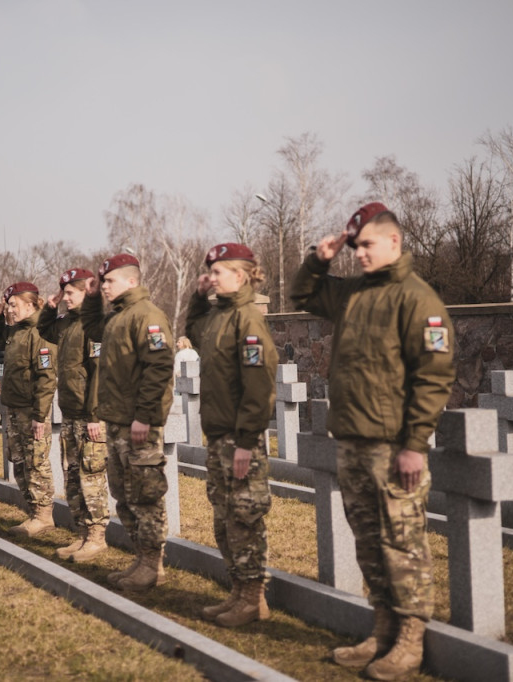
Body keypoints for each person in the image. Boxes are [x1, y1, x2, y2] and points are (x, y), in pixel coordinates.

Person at [291, 202, 455, 680]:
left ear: (394, 243)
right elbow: (303, 294)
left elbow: (434, 378)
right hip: (354, 440)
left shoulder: (418, 300)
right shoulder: (353, 294)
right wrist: (320, 259)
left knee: (402, 542)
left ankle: (410, 638)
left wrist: (414, 445)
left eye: (366, 246)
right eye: (355, 246)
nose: (359, 254)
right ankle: (382, 628)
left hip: (393, 446)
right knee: (368, 541)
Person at [185, 243, 278, 627]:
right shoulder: (219, 315)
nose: (212, 276)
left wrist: (245, 442)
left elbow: (258, 387)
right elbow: (194, 330)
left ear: (239, 276)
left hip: (241, 440)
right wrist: (198, 295)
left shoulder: (247, 320)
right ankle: (239, 593)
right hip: (220, 437)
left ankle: (254, 598)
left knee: (244, 518)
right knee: (225, 520)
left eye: (218, 272)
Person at [81, 253, 174, 592]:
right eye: (101, 282)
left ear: (131, 281)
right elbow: (92, 329)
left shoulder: (147, 316)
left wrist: (144, 418)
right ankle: (141, 559)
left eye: (108, 281)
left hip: (138, 425)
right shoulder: (118, 317)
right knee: (124, 495)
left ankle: (153, 564)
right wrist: (91, 298)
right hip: (118, 423)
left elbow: (159, 368)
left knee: (146, 496)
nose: (103, 286)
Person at [38, 268, 109, 562]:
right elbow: (44, 330)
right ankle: (82, 535)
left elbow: (98, 373)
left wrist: (94, 415)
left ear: (85, 293)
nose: (66, 297)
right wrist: (50, 306)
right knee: (74, 478)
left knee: (91, 477)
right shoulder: (66, 324)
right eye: (64, 293)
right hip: (70, 412)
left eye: (71, 293)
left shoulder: (94, 325)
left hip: (89, 415)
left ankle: (97, 537)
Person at [0, 282, 57, 537]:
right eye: (8, 306)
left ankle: (44, 515)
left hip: (32, 411)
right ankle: (33, 512)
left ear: (30, 305)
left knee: (36, 462)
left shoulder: (41, 333)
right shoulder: (16, 332)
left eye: (14, 305)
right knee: (19, 462)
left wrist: (40, 416)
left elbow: (46, 377)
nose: (10, 310)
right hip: (15, 409)